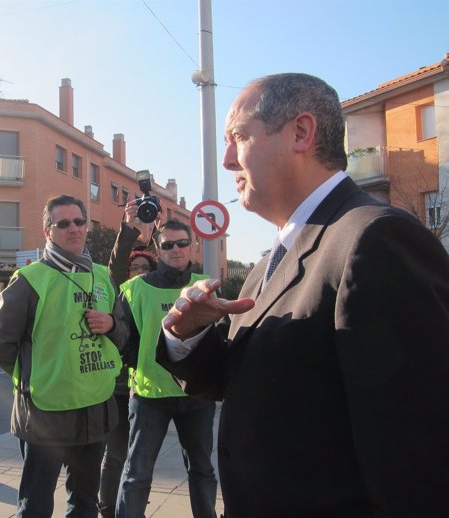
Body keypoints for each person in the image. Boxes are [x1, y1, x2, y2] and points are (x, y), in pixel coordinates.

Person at [157, 73, 449, 517]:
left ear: (301, 133)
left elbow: (418, 457)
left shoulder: (375, 239)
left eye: (238, 136)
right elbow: (246, 383)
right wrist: (187, 335)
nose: (228, 160)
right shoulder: (268, 262)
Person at [0, 194, 129, 518]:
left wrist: (110, 325)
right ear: (48, 231)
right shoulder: (29, 280)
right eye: (63, 223)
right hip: (45, 415)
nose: (73, 228)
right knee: (35, 506)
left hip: (95, 409)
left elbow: (123, 336)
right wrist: (33, 379)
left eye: (79, 221)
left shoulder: (102, 276)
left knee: (84, 504)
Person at [116, 219, 218, 518]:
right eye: (168, 245)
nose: (176, 250)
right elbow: (123, 338)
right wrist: (142, 363)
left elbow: (218, 335)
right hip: (150, 396)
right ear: (157, 251)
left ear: (193, 246)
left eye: (182, 243)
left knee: (202, 470)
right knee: (137, 474)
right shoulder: (135, 289)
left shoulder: (206, 284)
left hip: (197, 397)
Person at [98, 201, 158, 518]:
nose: (139, 274)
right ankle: (108, 510)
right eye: (134, 269)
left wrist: (158, 231)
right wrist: (128, 227)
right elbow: (117, 265)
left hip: (147, 387)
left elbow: (172, 271)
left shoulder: (155, 294)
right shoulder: (120, 292)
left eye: (145, 269)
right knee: (117, 453)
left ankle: (131, 509)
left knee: (140, 458)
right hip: (119, 387)